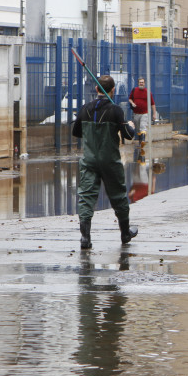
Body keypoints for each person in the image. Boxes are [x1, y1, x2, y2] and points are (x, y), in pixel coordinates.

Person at [72, 75, 137, 249]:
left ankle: (85, 238)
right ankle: (125, 233)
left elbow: (76, 132)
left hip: (89, 160)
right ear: (113, 90)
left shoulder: (85, 108)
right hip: (110, 160)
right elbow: (129, 136)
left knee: (86, 197)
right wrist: (131, 125)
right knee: (118, 196)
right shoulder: (116, 111)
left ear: (96, 89)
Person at [128, 77, 157, 143]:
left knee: (143, 127)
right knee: (138, 129)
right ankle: (140, 142)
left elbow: (152, 103)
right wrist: (132, 103)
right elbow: (130, 99)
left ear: (144, 83)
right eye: (140, 82)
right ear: (138, 83)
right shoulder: (134, 90)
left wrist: (154, 114)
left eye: (142, 82)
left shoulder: (148, 92)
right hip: (136, 113)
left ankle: (143, 141)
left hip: (144, 113)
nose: (141, 83)